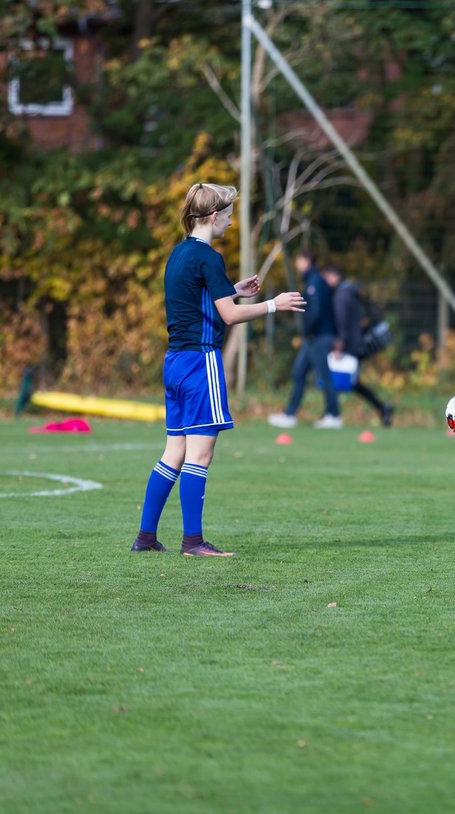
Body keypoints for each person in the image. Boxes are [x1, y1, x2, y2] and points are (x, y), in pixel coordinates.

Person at [131, 183, 306, 556]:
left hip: (175, 362)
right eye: (228, 216)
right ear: (214, 216)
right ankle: (193, 542)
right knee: (200, 455)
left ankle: (145, 538)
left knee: (173, 453)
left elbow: (197, 301)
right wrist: (273, 305)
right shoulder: (209, 257)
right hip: (200, 362)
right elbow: (227, 315)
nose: (230, 222)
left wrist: (234, 289)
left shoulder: (179, 254)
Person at [268, 249, 343, 429]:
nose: (297, 264)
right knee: (299, 372)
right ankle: (290, 414)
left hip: (318, 336)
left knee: (322, 375)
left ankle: (333, 415)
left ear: (306, 261)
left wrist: (306, 329)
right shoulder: (312, 280)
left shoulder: (315, 282)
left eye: (299, 260)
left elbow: (315, 312)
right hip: (313, 337)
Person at [321, 264, 394, 427]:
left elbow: (342, 322)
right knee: (350, 383)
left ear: (334, 276)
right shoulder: (351, 292)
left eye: (326, 278)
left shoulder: (340, 295)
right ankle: (382, 408)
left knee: (338, 379)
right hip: (357, 344)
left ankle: (332, 415)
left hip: (349, 346)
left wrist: (339, 344)